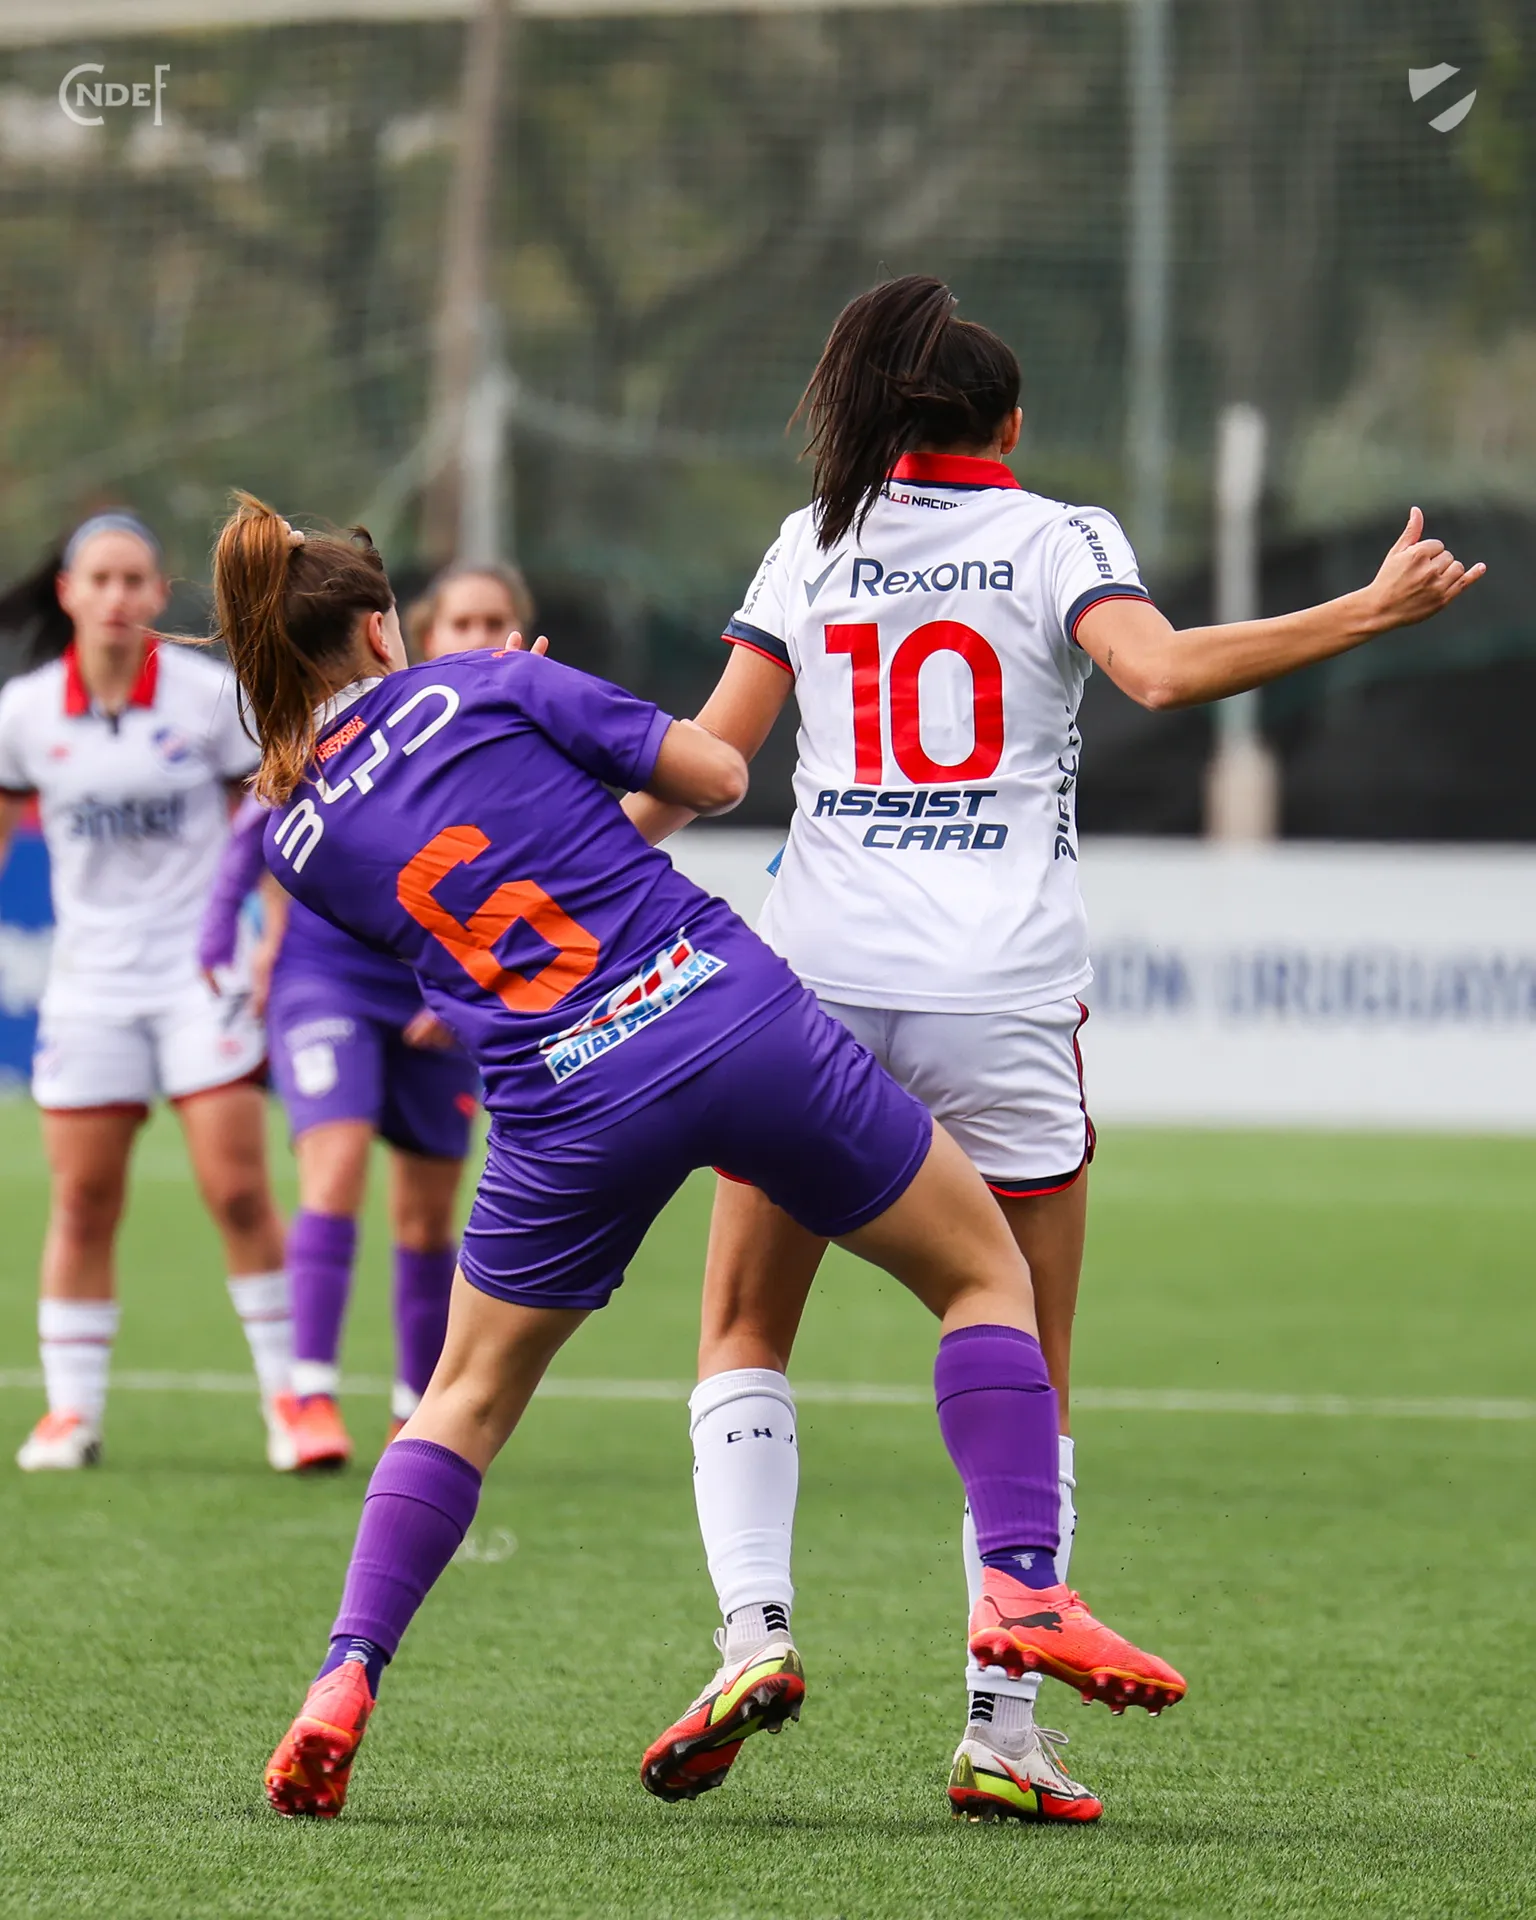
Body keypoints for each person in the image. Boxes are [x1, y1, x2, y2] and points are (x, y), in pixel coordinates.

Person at [624, 274, 1486, 1823]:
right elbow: (1159, 673)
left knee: (745, 1319)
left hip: (814, 989)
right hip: (999, 994)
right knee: (1022, 1338)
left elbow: (706, 764)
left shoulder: (811, 540)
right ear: (1010, 426)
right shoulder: (1056, 536)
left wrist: (530, 866)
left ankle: (752, 1633)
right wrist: (1366, 611)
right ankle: (1000, 1729)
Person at [205, 492, 1186, 1822]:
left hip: (559, 1102)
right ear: (384, 627)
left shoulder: (292, 834)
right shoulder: (489, 682)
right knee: (982, 1276)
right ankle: (1020, 1585)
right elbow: (716, 775)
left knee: (462, 1399)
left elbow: (460, 869)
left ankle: (345, 1673)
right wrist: (543, 715)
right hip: (722, 1015)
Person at [196, 563, 535, 1467]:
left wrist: (462, 991)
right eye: (460, 620)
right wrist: (222, 935)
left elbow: (523, 879)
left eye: (494, 621)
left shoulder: (507, 728)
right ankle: (307, 1396)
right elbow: (258, 828)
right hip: (327, 977)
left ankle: (413, 1413)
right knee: (334, 1168)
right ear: (407, 633)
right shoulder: (349, 719)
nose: (476, 636)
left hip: (442, 990)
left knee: (425, 1219)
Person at [0, 512, 303, 1472]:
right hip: (88, 987)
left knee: (239, 1191)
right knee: (84, 1198)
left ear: (160, 594)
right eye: (101, 579)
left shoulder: (211, 699)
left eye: (136, 579)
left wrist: (273, 942)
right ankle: (71, 1414)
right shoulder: (24, 713)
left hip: (199, 979)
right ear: (68, 593)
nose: (119, 597)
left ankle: (291, 1401)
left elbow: (266, 827)